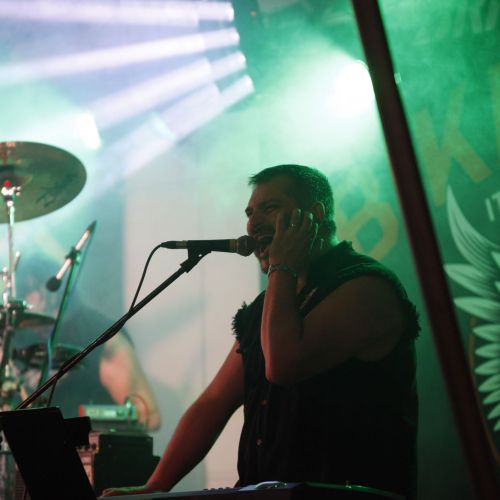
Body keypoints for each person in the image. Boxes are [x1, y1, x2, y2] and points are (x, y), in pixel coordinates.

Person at [103, 164, 419, 498]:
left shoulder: (366, 287)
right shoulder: (266, 306)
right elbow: (214, 403)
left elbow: (283, 365)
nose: (253, 224)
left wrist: (281, 265)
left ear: (313, 215)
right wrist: (155, 487)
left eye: (270, 208)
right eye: (249, 213)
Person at [10, 256, 161, 432]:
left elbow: (149, 416)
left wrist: (82, 416)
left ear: (51, 291)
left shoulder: (98, 334)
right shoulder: (17, 336)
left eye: (26, 289)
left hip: (88, 445)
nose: (22, 299)